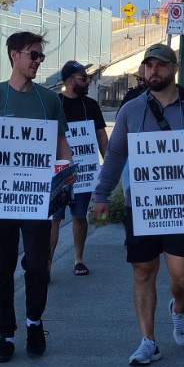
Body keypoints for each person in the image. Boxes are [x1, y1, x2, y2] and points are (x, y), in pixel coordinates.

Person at [93, 42, 184, 367]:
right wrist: (100, 195)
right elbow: (115, 155)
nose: (153, 71)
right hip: (139, 206)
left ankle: (178, 309)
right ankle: (148, 341)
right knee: (143, 272)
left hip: (178, 207)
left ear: (174, 68)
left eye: (160, 65)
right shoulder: (130, 110)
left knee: (182, 276)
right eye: (148, 65)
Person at [0, 31, 73, 363]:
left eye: (40, 57)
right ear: (14, 55)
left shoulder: (48, 100)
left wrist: (67, 169)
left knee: (38, 264)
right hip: (4, 198)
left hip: (37, 197)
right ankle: (5, 335)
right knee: (2, 269)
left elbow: (61, 143)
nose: (38, 61)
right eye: (33, 55)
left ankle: (34, 322)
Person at [50, 60, 108, 276]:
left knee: (80, 216)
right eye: (83, 78)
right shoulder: (55, 103)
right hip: (58, 172)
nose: (87, 81)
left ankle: (78, 259)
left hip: (84, 173)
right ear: (68, 80)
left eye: (87, 77)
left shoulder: (90, 106)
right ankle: (47, 264)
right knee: (54, 217)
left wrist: (109, 165)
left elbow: (101, 136)